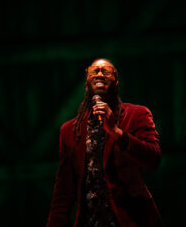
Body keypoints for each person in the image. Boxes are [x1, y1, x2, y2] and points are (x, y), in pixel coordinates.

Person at [46, 58, 163, 227]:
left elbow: (154, 158)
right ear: (86, 84)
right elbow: (63, 192)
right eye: (95, 71)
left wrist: (116, 132)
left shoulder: (136, 115)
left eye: (106, 71)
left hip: (131, 221)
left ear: (116, 83)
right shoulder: (70, 130)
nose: (100, 74)